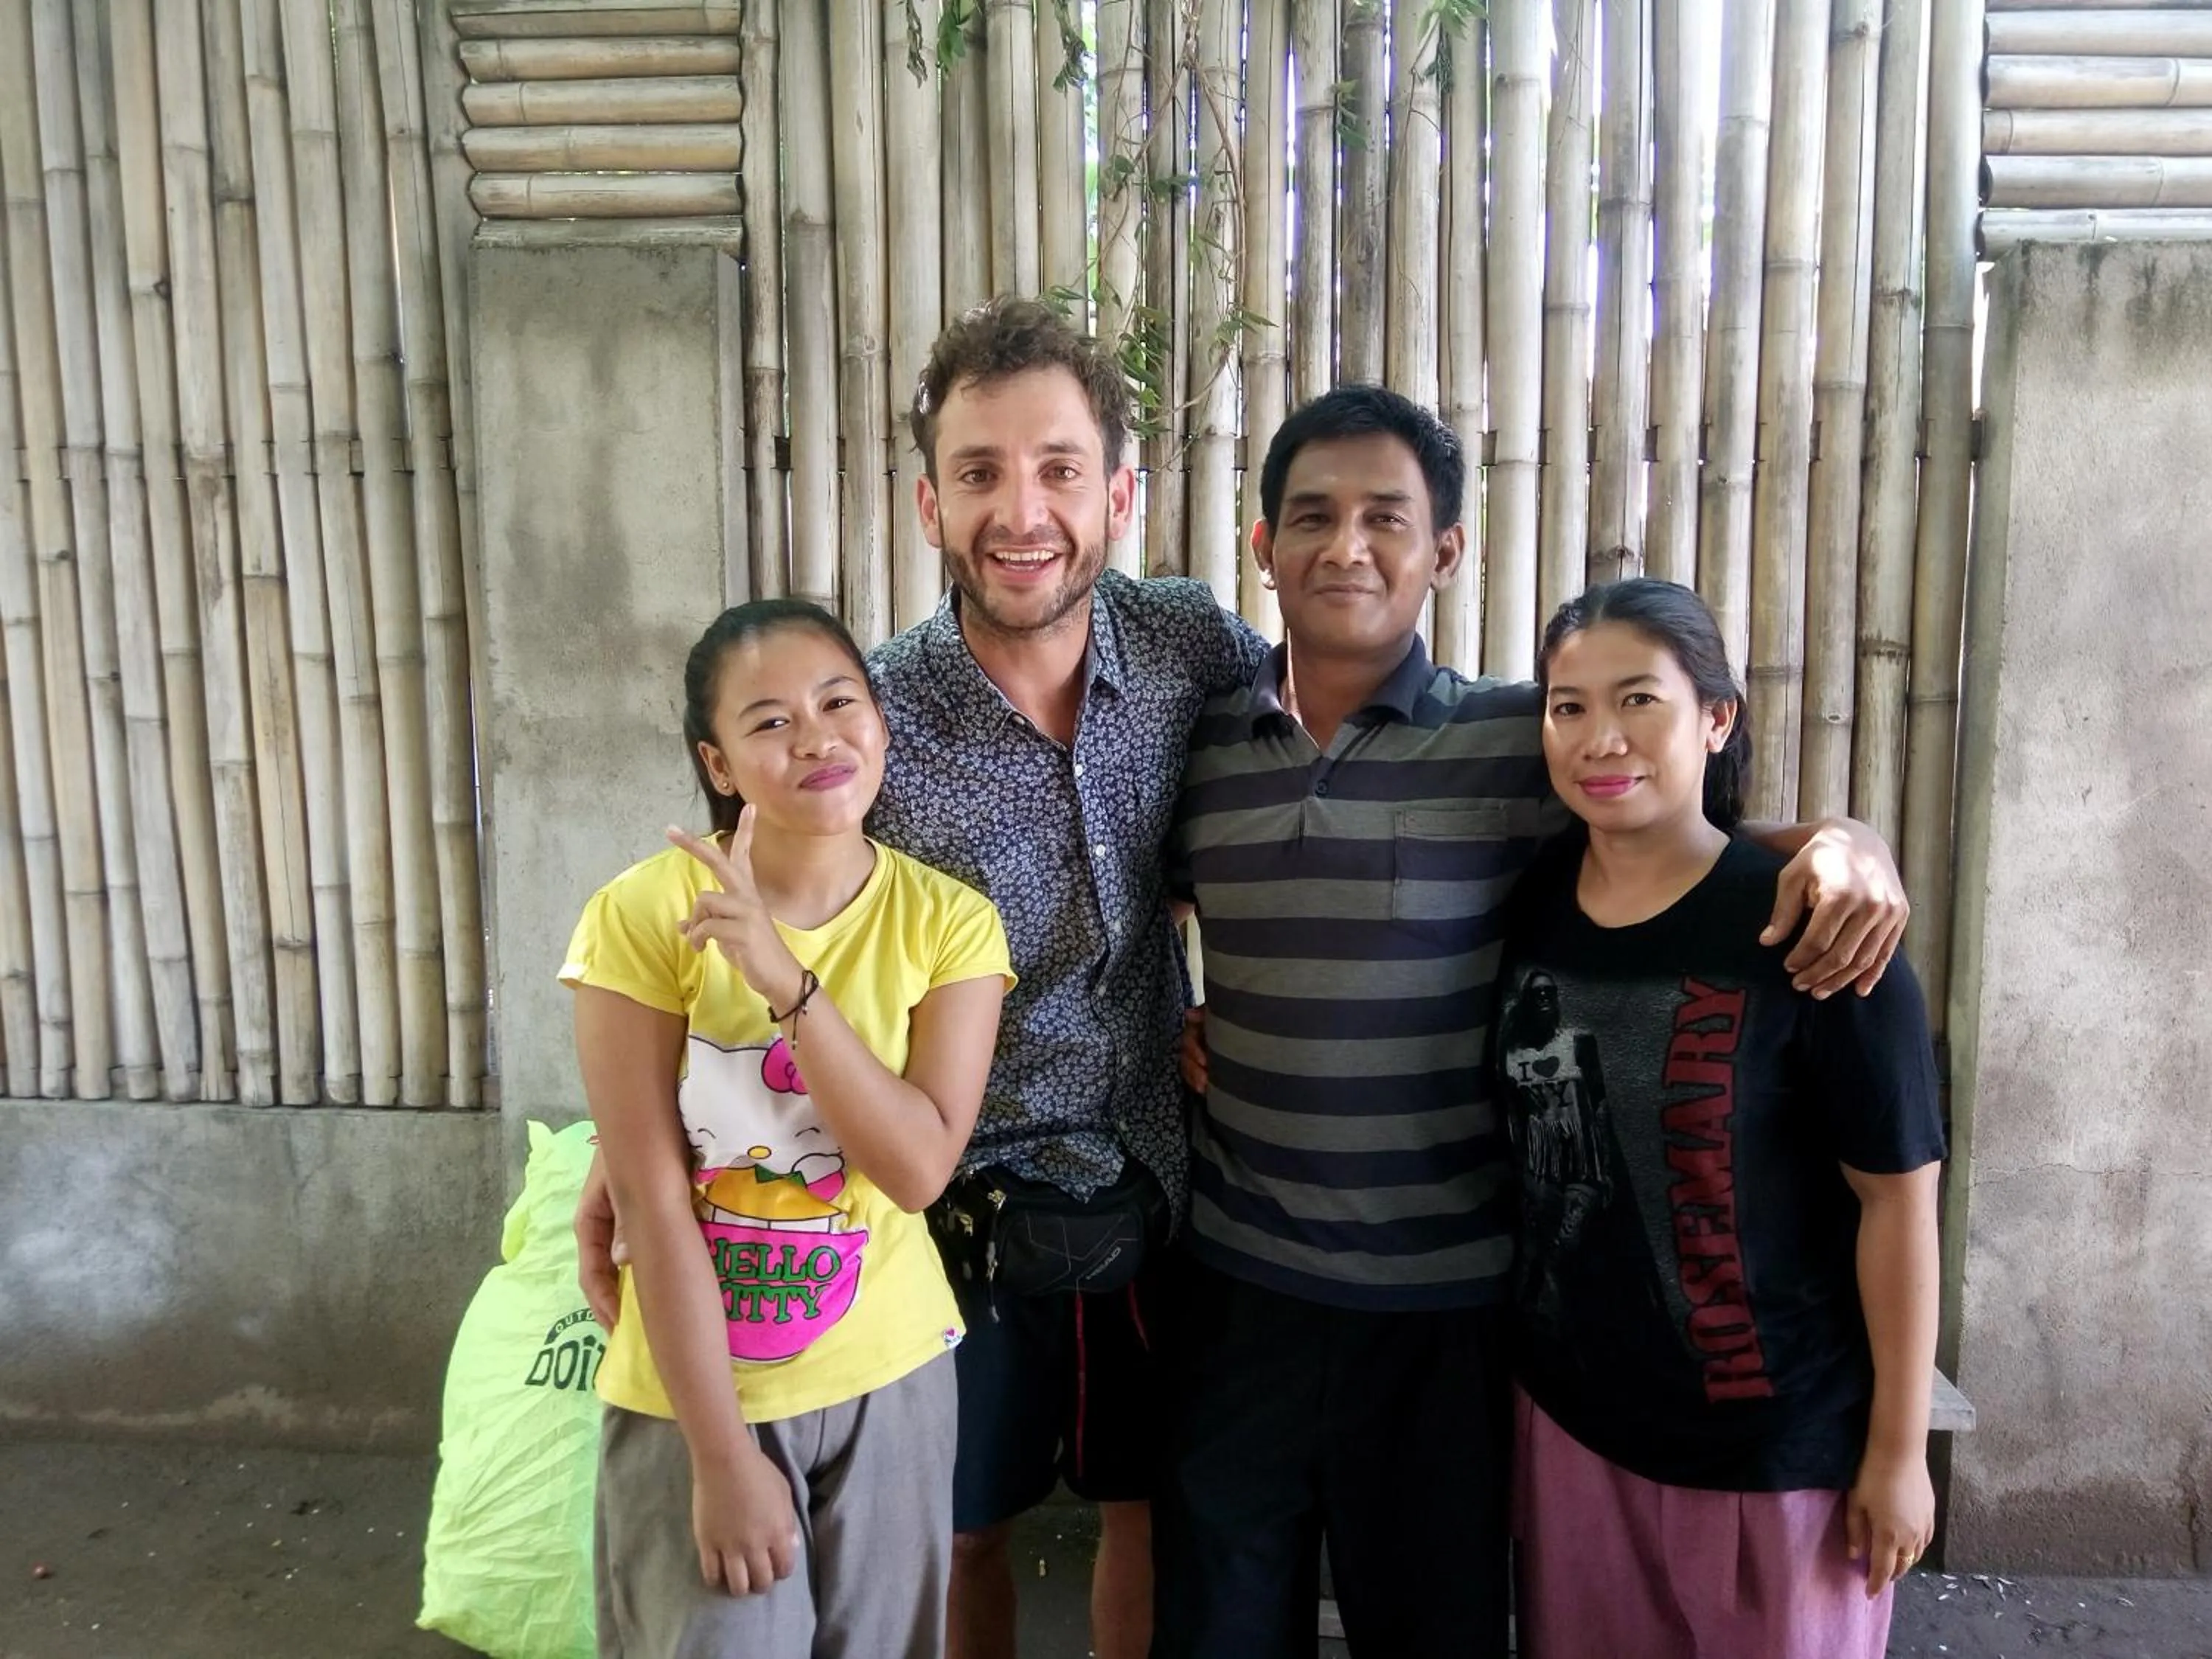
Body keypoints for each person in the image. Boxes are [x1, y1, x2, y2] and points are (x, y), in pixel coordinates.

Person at [1161, 386, 1913, 1659]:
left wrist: (1848, 841)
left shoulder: (1523, 737)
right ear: (1263, 545)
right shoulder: (1202, 751)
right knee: (1219, 1629)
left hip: (1451, 1304)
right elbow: (1141, 907)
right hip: (1240, 1284)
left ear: (1446, 550)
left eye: (1387, 518)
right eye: (1314, 517)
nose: (1348, 546)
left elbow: (1677, 825)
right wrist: (1187, 1014)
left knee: (1434, 1631)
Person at [577, 296, 1271, 1659]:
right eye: (980, 472)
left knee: (1148, 1507)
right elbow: (737, 901)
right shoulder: (872, 714)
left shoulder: (1188, 643)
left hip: (1155, 1165)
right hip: (942, 1200)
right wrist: (639, 1133)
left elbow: (1314, 758)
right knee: (959, 1534)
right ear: (928, 503)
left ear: (1120, 491)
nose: (1024, 511)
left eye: (1060, 468)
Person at [1498, 578, 1944, 1659]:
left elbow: (1896, 1202)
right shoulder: (1531, 897)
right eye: (1568, 706)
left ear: (1716, 717)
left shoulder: (1819, 929)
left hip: (1776, 1456)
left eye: (1639, 699)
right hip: (1573, 1430)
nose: (1601, 737)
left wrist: (1898, 1453)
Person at [564, 599, 1012, 1658]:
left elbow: (915, 1168)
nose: (815, 737)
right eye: (769, 721)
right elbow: (652, 1206)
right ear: (718, 765)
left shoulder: (950, 923)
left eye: (838, 702)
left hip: (892, 1380)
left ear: (880, 723)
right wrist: (722, 1457)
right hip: (698, 1397)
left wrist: (783, 982)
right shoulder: (642, 915)